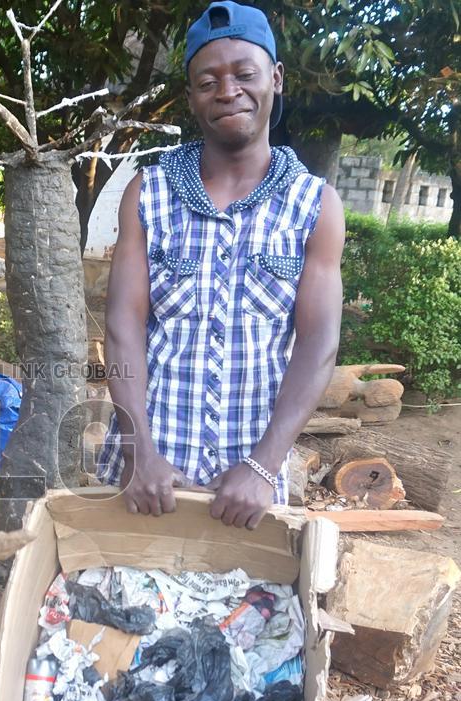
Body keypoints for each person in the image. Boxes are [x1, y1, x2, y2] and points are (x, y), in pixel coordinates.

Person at [96, 1, 345, 530]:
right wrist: (139, 450)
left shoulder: (315, 206)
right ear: (191, 97)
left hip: (251, 485)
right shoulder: (148, 193)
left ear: (276, 79)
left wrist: (264, 465)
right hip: (148, 475)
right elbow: (122, 326)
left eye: (244, 74)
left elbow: (318, 344)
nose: (228, 91)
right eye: (208, 81)